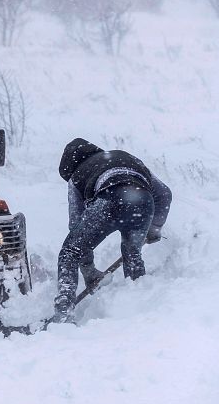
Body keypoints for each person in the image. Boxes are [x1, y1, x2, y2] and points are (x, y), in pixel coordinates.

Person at [54, 138, 172, 322]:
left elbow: (75, 225)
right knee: (132, 252)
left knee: (69, 252)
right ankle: (138, 305)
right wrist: (154, 228)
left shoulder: (76, 176)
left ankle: (63, 308)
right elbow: (165, 194)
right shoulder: (126, 157)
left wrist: (88, 269)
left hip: (108, 202)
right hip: (142, 200)